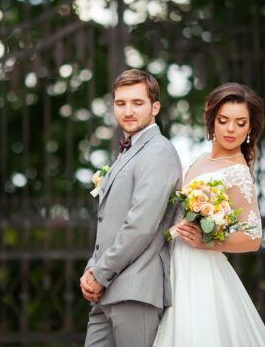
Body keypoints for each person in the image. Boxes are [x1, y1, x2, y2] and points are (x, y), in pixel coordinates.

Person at [153, 82, 265, 346]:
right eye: (224, 120)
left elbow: (253, 238)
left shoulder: (238, 172)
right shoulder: (200, 159)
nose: (231, 129)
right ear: (212, 121)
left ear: (250, 128)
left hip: (200, 267)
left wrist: (207, 241)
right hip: (175, 258)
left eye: (241, 123)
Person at [80, 69, 182, 347]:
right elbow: (108, 222)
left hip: (136, 291)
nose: (128, 110)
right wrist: (91, 270)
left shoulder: (158, 151)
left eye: (137, 103)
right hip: (106, 290)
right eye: (120, 103)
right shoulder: (127, 152)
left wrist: (100, 274)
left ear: (155, 107)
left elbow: (141, 224)